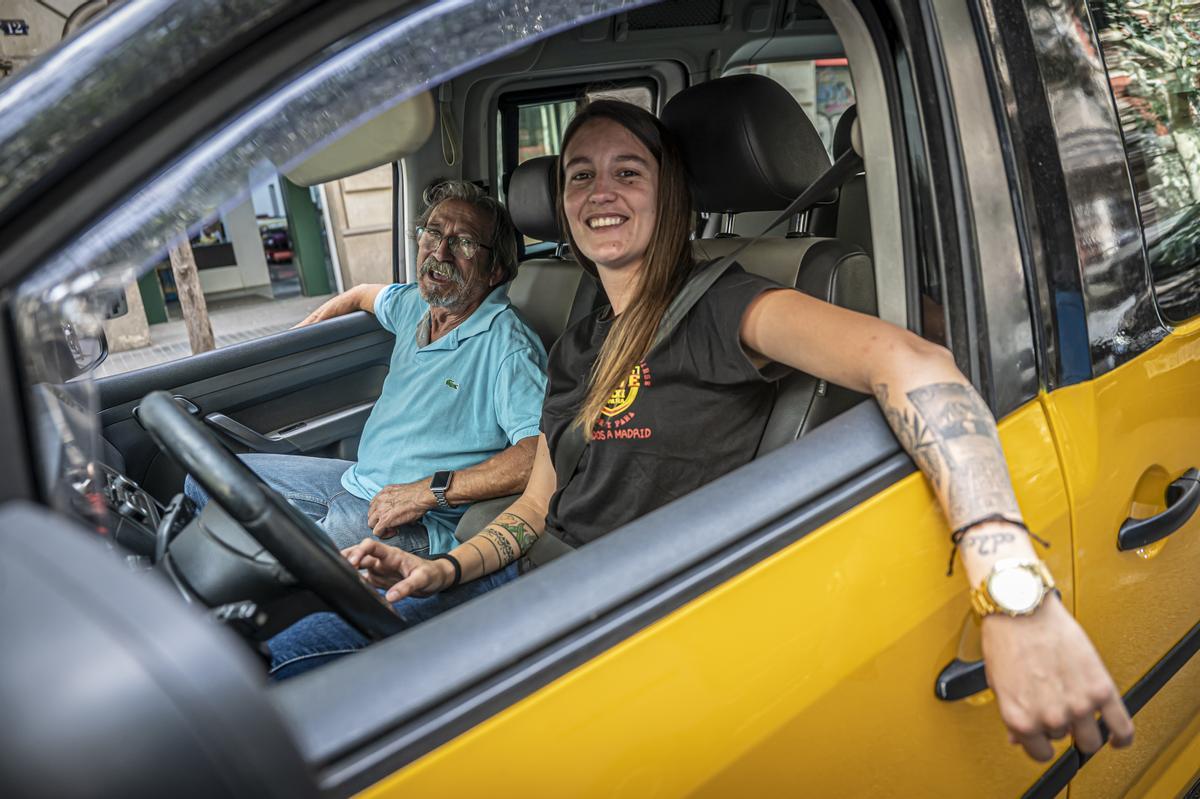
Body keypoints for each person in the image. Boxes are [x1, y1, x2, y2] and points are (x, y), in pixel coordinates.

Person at [271, 101, 1135, 765]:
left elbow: (913, 365)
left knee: (313, 725)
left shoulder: (729, 305)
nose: (598, 192)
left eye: (628, 173)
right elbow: (536, 508)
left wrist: (1015, 593)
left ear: (669, 192)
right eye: (578, 175)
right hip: (531, 592)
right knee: (290, 664)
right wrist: (442, 567)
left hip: (618, 627)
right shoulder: (579, 329)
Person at [185, 180, 547, 561]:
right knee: (206, 477)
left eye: (464, 243)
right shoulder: (415, 304)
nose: (440, 251)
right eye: (432, 234)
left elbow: (537, 455)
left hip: (416, 520)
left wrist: (430, 490)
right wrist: (302, 333)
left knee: (268, 562)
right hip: (354, 481)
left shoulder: (509, 345)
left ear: (495, 272)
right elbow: (361, 294)